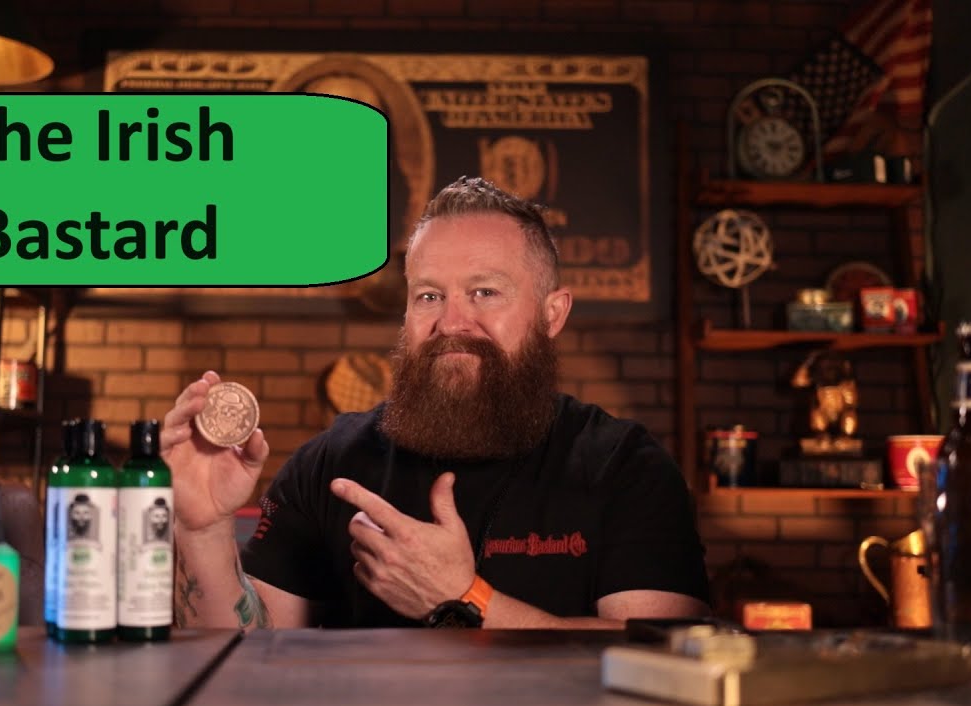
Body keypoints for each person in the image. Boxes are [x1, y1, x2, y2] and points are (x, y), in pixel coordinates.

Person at [160, 177, 710, 630]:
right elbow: (243, 652)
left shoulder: (625, 468)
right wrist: (201, 530)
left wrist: (463, 598)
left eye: (484, 292)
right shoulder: (331, 464)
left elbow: (662, 661)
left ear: (552, 314)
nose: (452, 322)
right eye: (429, 295)